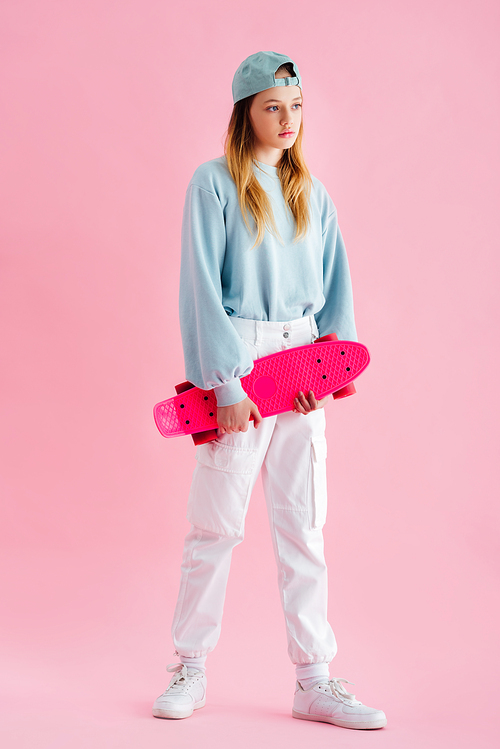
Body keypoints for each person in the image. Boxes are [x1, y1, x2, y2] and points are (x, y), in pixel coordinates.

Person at [152, 51, 387, 730]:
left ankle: (314, 678)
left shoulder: (313, 194)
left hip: (301, 359)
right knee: (216, 523)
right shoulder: (214, 185)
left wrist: (329, 368)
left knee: (304, 527)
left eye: (296, 107)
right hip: (242, 358)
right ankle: (189, 666)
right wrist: (223, 381)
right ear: (245, 111)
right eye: (272, 106)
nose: (287, 120)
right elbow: (200, 286)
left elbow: (336, 288)